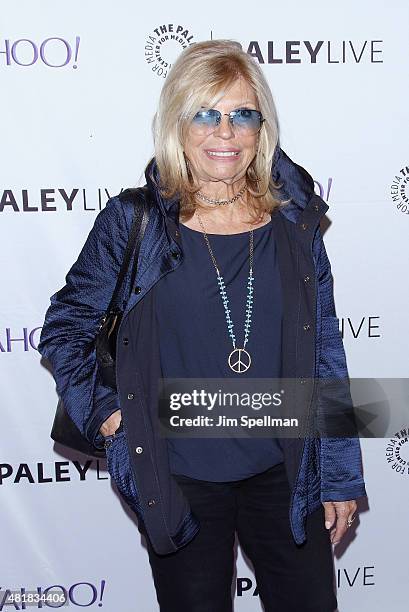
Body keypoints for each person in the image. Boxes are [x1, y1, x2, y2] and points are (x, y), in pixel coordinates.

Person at [38, 39, 367, 611]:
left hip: (285, 471)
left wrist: (338, 476)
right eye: (205, 113)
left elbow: (325, 354)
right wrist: (108, 411)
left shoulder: (294, 222)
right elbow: (66, 326)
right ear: (177, 123)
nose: (225, 132)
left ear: (261, 127)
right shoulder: (135, 221)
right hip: (179, 476)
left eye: (242, 114)